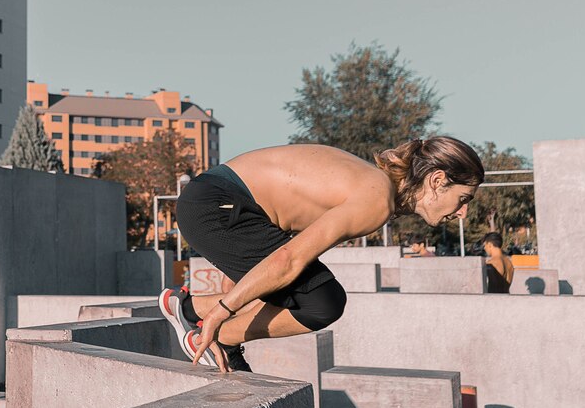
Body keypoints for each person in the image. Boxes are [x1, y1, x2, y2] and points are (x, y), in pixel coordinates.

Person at [159, 136, 485, 372]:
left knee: (294, 288)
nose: (462, 213)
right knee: (323, 302)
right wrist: (220, 313)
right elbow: (288, 259)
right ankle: (219, 339)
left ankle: (186, 306)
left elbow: (283, 253)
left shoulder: (372, 182)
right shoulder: (377, 200)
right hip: (219, 206)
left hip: (218, 199)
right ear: (438, 180)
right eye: (463, 197)